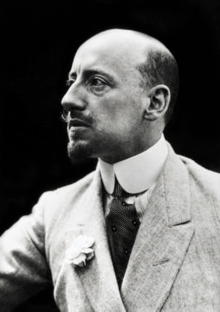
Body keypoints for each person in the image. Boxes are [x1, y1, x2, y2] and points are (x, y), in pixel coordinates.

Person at [1, 28, 220, 312]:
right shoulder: (55, 212)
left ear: (155, 103)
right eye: (72, 81)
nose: (68, 99)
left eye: (96, 83)